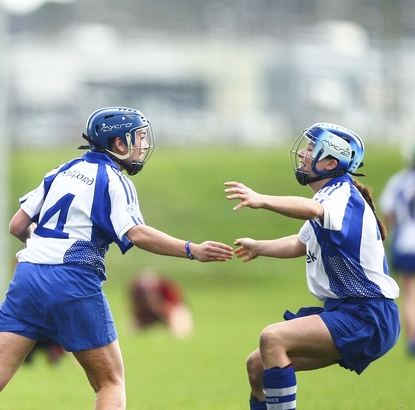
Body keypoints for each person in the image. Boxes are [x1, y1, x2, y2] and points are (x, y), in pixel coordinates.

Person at [0, 106, 234, 410]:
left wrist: (47, 249)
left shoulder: (61, 171)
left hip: (28, 275)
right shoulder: (114, 180)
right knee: (110, 383)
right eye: (138, 138)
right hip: (72, 280)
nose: (143, 145)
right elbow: (137, 233)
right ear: (119, 144)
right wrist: (191, 249)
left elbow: (17, 226)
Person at [224, 122, 400, 410]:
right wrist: (260, 247)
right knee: (257, 365)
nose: (303, 154)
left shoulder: (340, 194)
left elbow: (312, 210)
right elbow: (300, 243)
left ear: (331, 162)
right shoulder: (330, 197)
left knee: (273, 337)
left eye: (310, 148)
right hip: (349, 312)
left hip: (368, 315)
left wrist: (262, 200)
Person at [379, 145, 415, 356]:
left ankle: (412, 338)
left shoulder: (399, 181)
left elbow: (389, 215)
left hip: (405, 242)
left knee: (409, 292)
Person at [129, 270, 193, 339]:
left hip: (168, 310)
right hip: (148, 313)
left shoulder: (166, 288)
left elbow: (175, 304)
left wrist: (160, 309)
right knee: (132, 326)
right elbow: (134, 308)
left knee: (180, 327)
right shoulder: (138, 292)